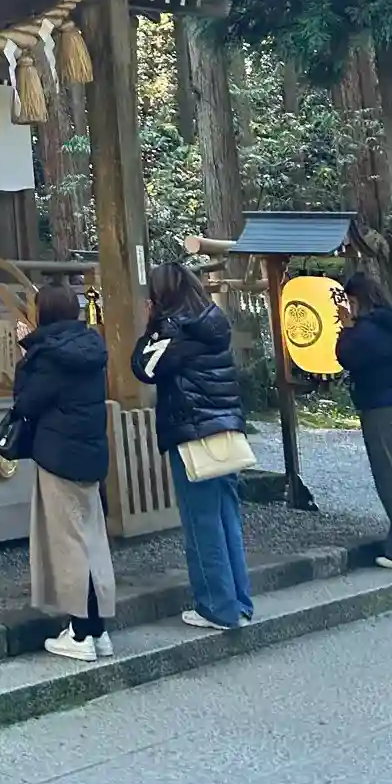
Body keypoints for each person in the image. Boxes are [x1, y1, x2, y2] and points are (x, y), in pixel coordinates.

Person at [132, 261, 253, 630]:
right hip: (225, 431)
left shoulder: (174, 330)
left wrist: (150, 326)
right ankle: (239, 602)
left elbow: (143, 368)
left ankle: (216, 606)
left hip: (193, 433)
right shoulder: (213, 322)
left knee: (202, 524)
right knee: (227, 518)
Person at [12, 282, 116, 661]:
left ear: (44, 313)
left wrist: (26, 353)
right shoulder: (91, 347)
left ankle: (80, 631)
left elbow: (26, 401)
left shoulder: (49, 356)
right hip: (90, 454)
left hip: (59, 456)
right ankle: (98, 629)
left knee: (68, 543)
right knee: (91, 539)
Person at [336, 271, 392, 569]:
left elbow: (347, 355)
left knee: (391, 478)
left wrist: (346, 328)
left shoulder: (368, 330)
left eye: (350, 302)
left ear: (358, 299)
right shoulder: (391, 321)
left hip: (381, 407)